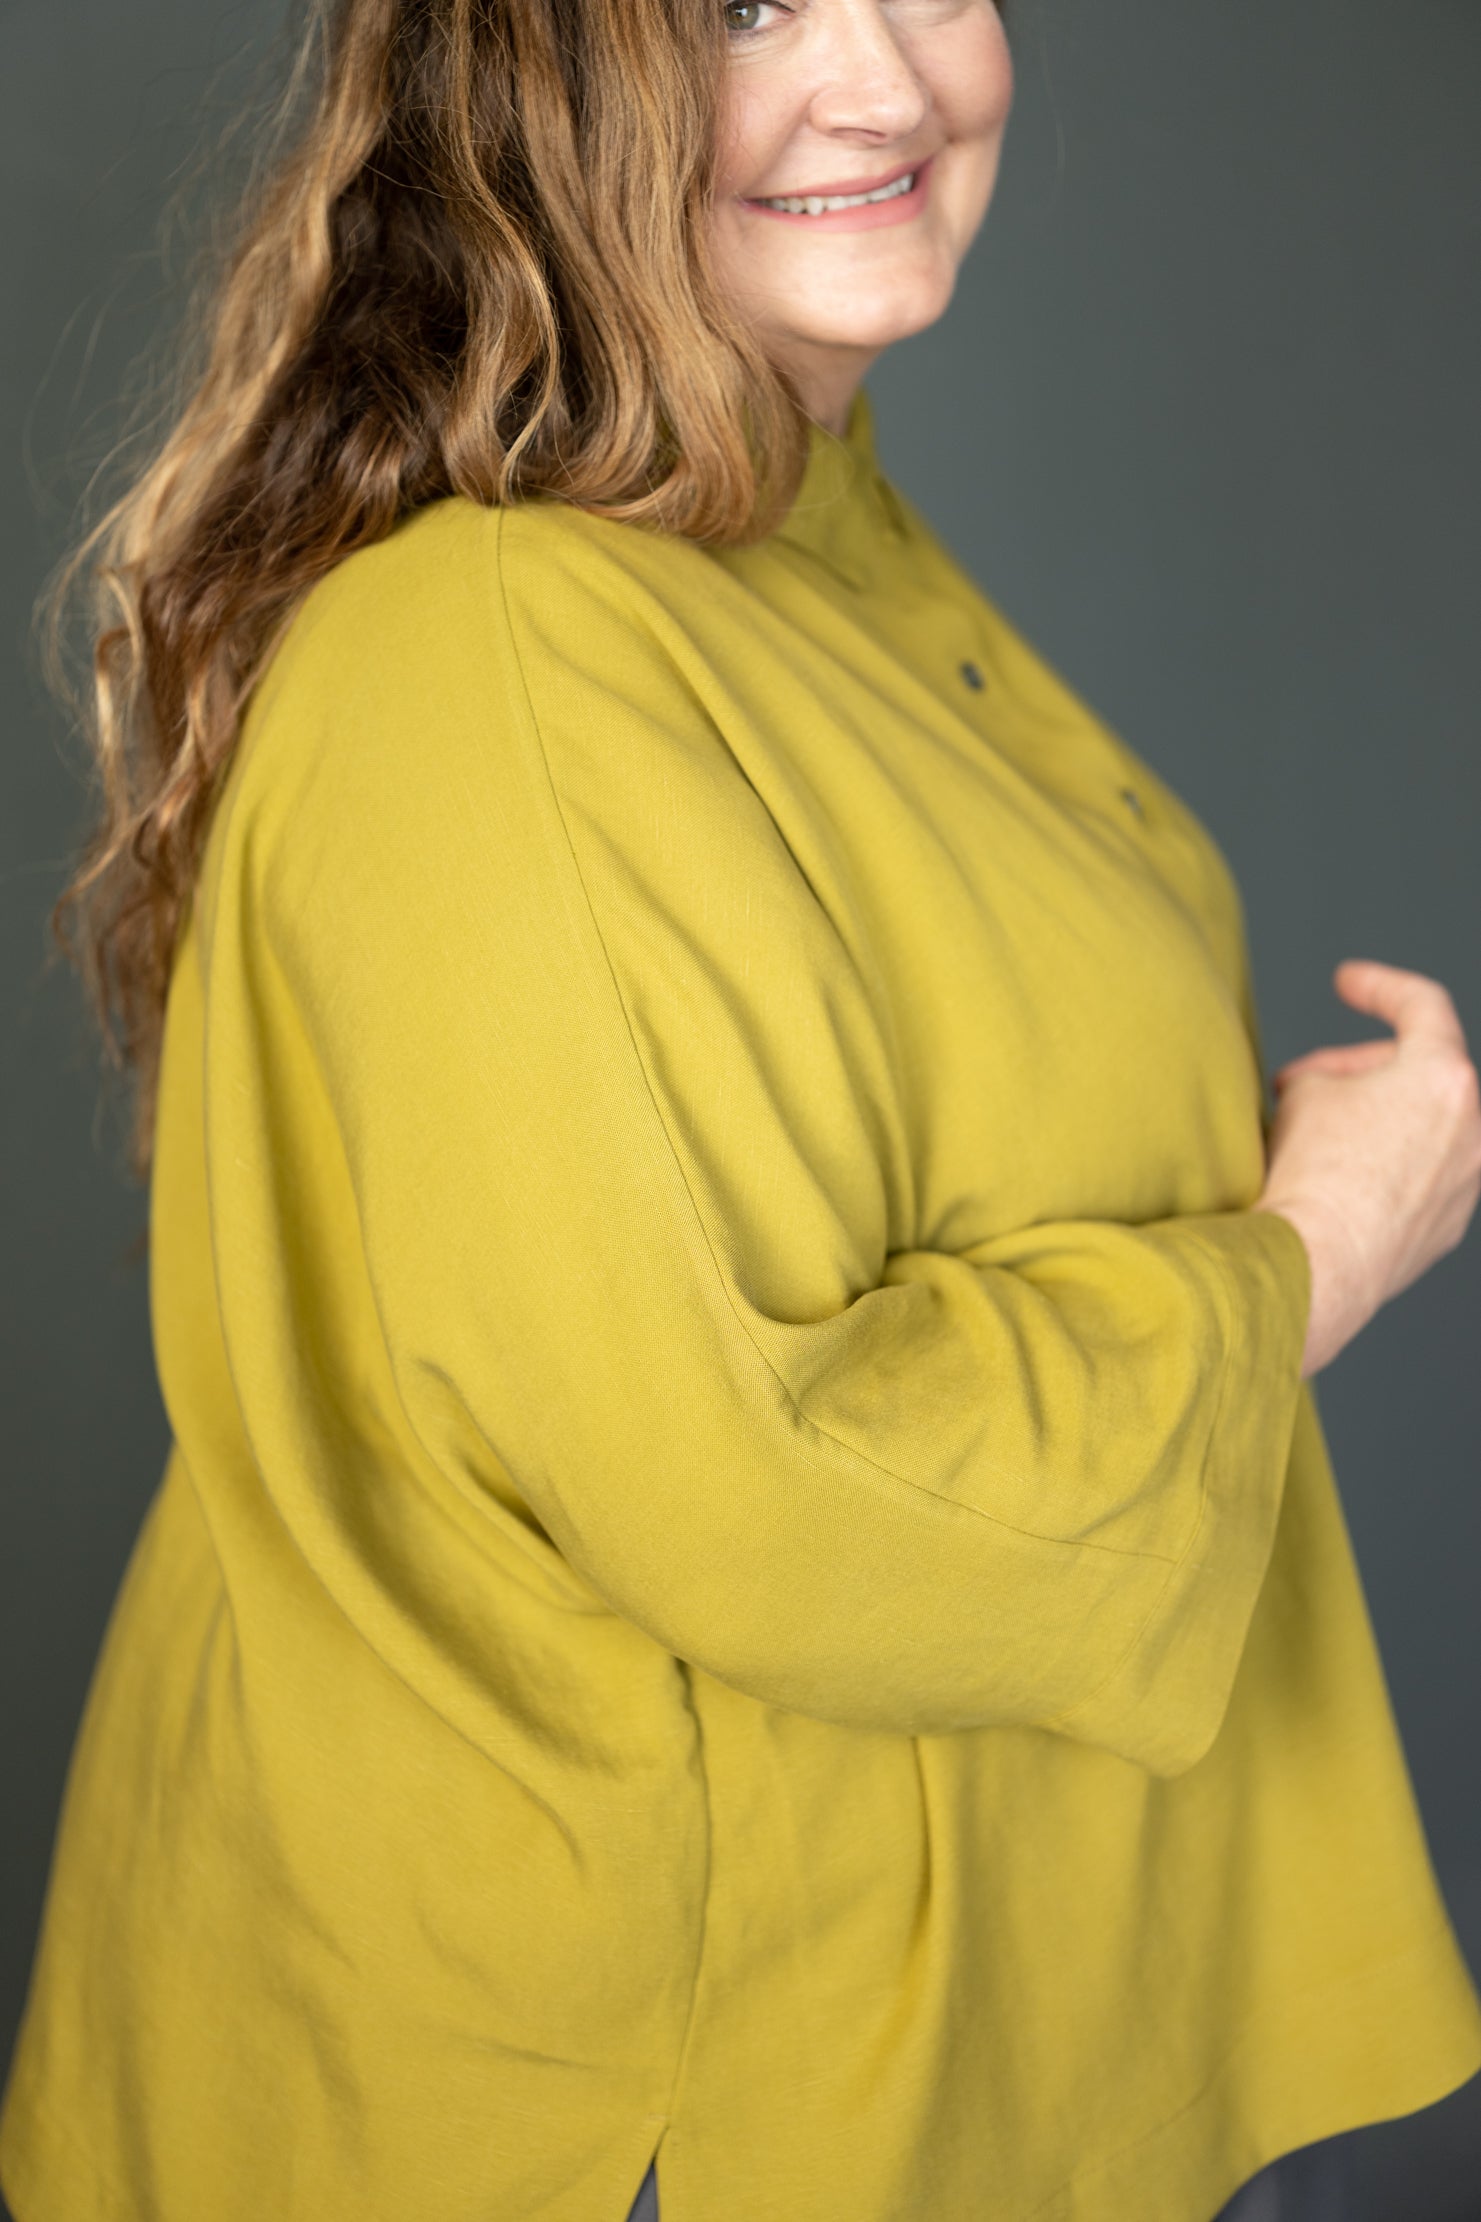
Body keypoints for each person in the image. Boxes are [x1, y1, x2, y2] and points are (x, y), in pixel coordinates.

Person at [2, 0, 1479, 2215]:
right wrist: (1317, 1246)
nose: (883, 80)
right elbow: (771, 1486)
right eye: (741, 6)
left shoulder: (793, 523)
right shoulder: (498, 654)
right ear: (523, 69)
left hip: (1015, 2014)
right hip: (670, 2105)